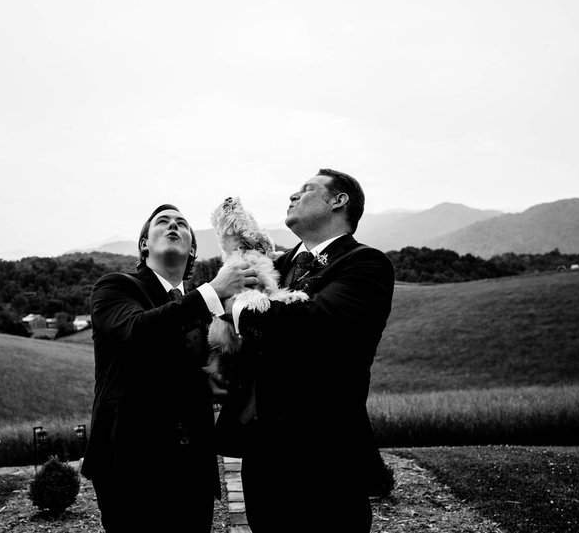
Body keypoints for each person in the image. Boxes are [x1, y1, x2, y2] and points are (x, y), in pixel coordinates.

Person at [221, 168, 396, 532]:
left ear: (338, 201)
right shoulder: (279, 265)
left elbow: (312, 324)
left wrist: (236, 306)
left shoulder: (366, 264)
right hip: (263, 456)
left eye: (306, 189)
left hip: (324, 456)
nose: (292, 195)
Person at [80, 203, 256, 533]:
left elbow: (220, 376)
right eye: (162, 222)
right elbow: (137, 330)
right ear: (144, 243)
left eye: (181, 223)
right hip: (131, 464)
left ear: (192, 249)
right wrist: (212, 292)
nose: (173, 225)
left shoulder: (208, 307)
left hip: (193, 468)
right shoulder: (115, 287)